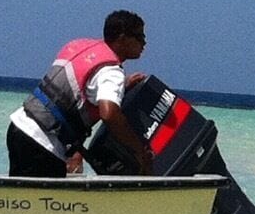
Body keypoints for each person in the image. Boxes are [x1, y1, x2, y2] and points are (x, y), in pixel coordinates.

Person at [9, 11, 150, 178]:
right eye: (139, 36)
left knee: (19, 193)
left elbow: (75, 95)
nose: (144, 42)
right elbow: (109, 114)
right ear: (122, 38)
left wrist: (122, 87)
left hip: (19, 127)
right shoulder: (111, 72)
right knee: (45, 195)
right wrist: (139, 151)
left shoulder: (78, 46)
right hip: (42, 142)